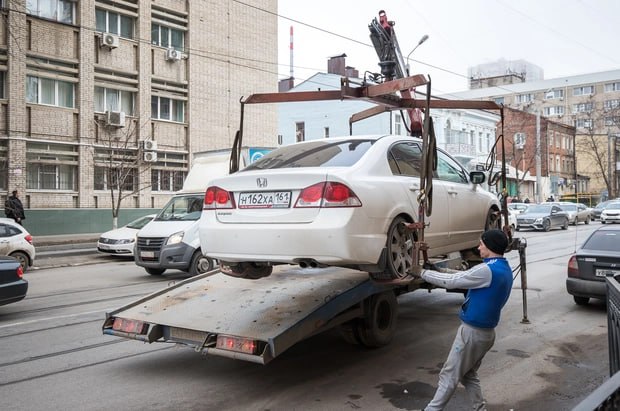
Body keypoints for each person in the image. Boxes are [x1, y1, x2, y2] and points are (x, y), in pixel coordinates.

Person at [416, 229, 513, 411]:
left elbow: (452, 281)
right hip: (485, 334)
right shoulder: (502, 268)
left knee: (449, 374)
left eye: (481, 244)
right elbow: (464, 276)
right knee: (468, 374)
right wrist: (439, 269)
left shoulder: (487, 270)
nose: (478, 247)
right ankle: (479, 408)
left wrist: (421, 273)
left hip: (472, 334)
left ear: (490, 246)